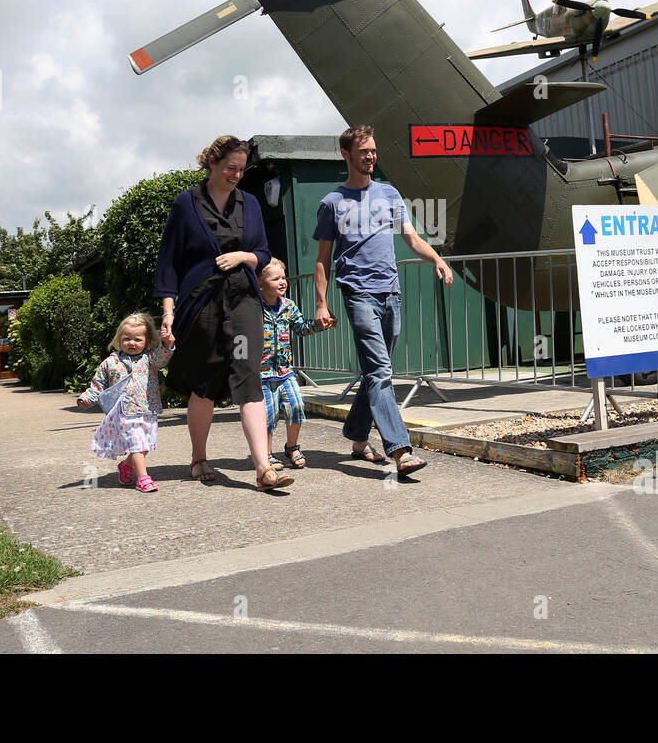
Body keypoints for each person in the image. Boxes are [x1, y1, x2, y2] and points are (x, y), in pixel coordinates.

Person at [155, 134, 294, 492]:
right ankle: (199, 457)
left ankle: (263, 468)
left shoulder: (250, 204)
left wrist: (244, 257)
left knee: (248, 374)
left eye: (241, 170)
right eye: (230, 168)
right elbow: (168, 262)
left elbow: (262, 252)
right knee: (204, 382)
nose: (236, 175)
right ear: (212, 163)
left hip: (243, 301)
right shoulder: (186, 204)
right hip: (202, 305)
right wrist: (168, 311)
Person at [313, 125, 452, 478]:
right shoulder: (332, 203)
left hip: (391, 292)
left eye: (373, 150)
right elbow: (323, 258)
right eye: (364, 151)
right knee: (380, 371)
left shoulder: (389, 193)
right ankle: (400, 450)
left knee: (376, 371)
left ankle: (357, 435)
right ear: (346, 155)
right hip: (357, 293)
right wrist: (321, 303)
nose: (371, 156)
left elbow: (412, 238)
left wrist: (437, 259)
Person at [78, 313, 174, 493]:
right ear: (119, 339)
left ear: (147, 341)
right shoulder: (110, 362)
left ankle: (126, 465)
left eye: (137, 339)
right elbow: (98, 385)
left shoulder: (149, 359)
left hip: (148, 409)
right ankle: (143, 478)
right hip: (124, 413)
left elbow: (162, 358)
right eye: (127, 339)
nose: (131, 343)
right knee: (138, 444)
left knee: (145, 445)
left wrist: (167, 344)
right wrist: (86, 398)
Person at [257, 257, 326, 469]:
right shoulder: (254, 307)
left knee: (296, 407)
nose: (282, 282)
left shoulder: (289, 306)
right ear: (260, 284)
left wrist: (318, 325)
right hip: (262, 374)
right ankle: (266, 454)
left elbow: (301, 328)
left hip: (285, 372)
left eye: (284, 278)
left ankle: (292, 447)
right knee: (268, 416)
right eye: (275, 279)